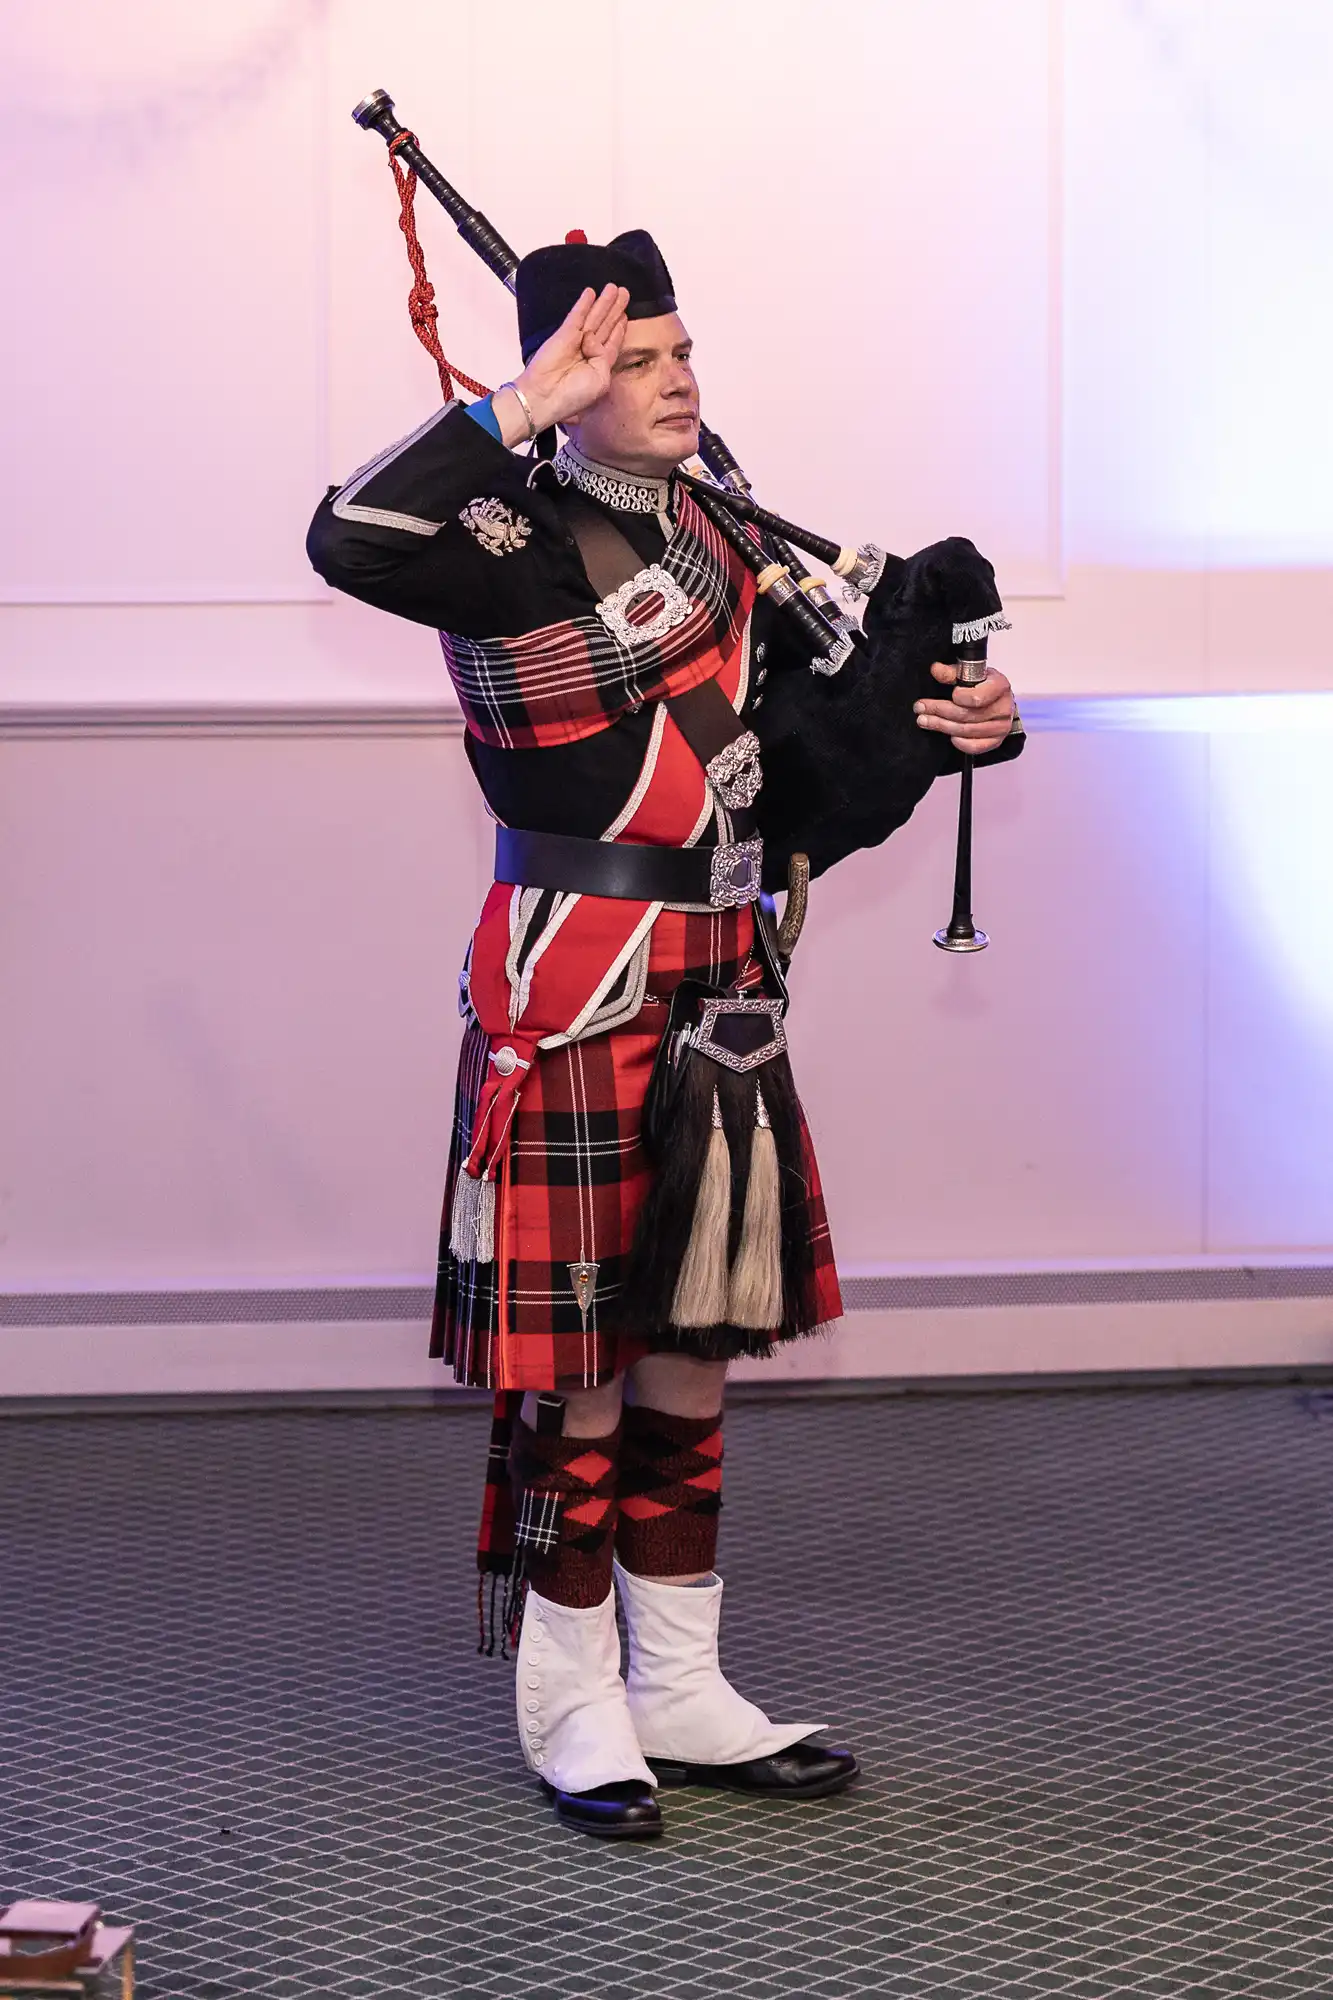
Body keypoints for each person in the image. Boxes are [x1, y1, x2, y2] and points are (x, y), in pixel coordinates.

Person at [307, 229, 1022, 1841]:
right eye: (634, 356)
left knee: (692, 1349)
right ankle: (572, 1702)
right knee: (578, 1375)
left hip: (728, 982)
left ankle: (682, 1683)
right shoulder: (498, 531)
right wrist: (511, 406)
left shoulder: (721, 532)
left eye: (681, 347)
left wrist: (959, 722)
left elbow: (807, 750)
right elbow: (347, 537)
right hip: (575, 982)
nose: (675, 373)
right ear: (567, 385)